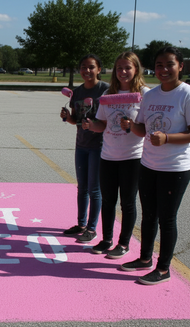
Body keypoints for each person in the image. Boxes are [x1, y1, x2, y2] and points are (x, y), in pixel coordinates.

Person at [119, 47, 190, 285]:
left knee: (167, 218)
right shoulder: (150, 95)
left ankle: (163, 269)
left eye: (169, 64)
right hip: (148, 164)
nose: (163, 69)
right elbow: (142, 129)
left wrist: (168, 138)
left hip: (175, 168)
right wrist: (129, 125)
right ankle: (145, 259)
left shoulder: (186, 94)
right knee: (149, 216)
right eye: (159, 65)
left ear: (180, 66)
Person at [83, 52, 149, 258]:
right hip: (108, 156)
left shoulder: (145, 94)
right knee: (108, 200)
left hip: (133, 156)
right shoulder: (109, 95)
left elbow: (147, 126)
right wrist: (90, 125)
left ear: (136, 69)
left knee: (127, 202)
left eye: (128, 68)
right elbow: (102, 124)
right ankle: (107, 239)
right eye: (119, 68)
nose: (123, 72)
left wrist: (132, 125)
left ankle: (123, 243)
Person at [60, 54, 109, 243]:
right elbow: (75, 120)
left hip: (99, 146)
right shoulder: (77, 92)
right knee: (82, 188)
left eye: (91, 67)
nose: (86, 71)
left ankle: (91, 228)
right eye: (83, 67)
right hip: (81, 145)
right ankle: (81, 224)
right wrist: (66, 117)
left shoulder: (105, 90)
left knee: (94, 189)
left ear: (98, 69)